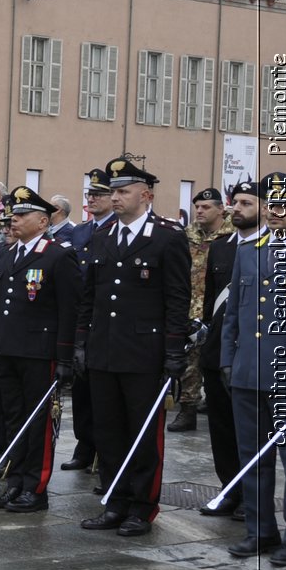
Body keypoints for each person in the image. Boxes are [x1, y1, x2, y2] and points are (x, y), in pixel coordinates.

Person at [75, 157, 189, 537]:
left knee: (143, 434)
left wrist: (174, 352)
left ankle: (142, 506)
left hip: (144, 352)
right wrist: (81, 343)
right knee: (107, 431)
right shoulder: (102, 236)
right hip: (104, 349)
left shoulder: (167, 236)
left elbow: (177, 299)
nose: (116, 198)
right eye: (113, 192)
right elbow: (89, 297)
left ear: (147, 195)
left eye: (123, 192)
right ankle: (114, 499)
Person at [0, 186, 78, 512]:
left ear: (42, 220)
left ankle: (36, 487)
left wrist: (64, 356)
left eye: (22, 216)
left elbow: (69, 310)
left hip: (39, 351)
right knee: (14, 419)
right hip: (8, 349)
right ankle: (16, 480)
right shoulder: (7, 254)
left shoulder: (58, 255)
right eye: (13, 215)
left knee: (36, 422)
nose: (14, 221)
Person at [221, 171, 286, 566]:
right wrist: (228, 361)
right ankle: (260, 530)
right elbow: (234, 312)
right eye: (270, 204)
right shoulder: (250, 250)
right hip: (249, 370)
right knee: (252, 457)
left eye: (285, 204)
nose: (275, 211)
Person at [199, 177, 260, 522]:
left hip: (254, 355)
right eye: (235, 202)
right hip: (219, 352)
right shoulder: (221, 247)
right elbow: (212, 302)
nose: (237, 209)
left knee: (250, 432)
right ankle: (229, 490)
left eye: (246, 203)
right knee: (221, 429)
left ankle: (251, 498)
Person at [62, 168, 116, 471]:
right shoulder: (81, 231)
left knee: (102, 391)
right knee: (81, 388)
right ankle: (84, 445)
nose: (92, 198)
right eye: (89, 193)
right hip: (80, 314)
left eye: (99, 194)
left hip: (105, 315)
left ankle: (102, 450)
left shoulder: (116, 228)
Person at [174, 187, 233, 432]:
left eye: (206, 207)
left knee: (218, 362)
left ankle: (218, 405)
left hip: (218, 309)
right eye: (197, 206)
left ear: (221, 209)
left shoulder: (232, 236)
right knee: (189, 363)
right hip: (189, 306)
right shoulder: (186, 235)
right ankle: (187, 410)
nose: (199, 210)